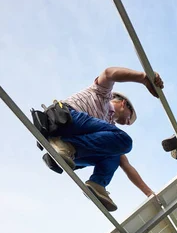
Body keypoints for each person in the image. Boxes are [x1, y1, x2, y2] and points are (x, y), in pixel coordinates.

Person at [42, 67, 164, 212]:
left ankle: (97, 184)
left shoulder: (107, 128)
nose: (127, 123)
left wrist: (149, 193)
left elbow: (126, 165)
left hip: (70, 144)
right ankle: (66, 145)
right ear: (124, 104)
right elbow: (109, 73)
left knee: (115, 154)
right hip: (65, 119)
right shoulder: (104, 95)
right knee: (123, 140)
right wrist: (143, 78)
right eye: (129, 118)